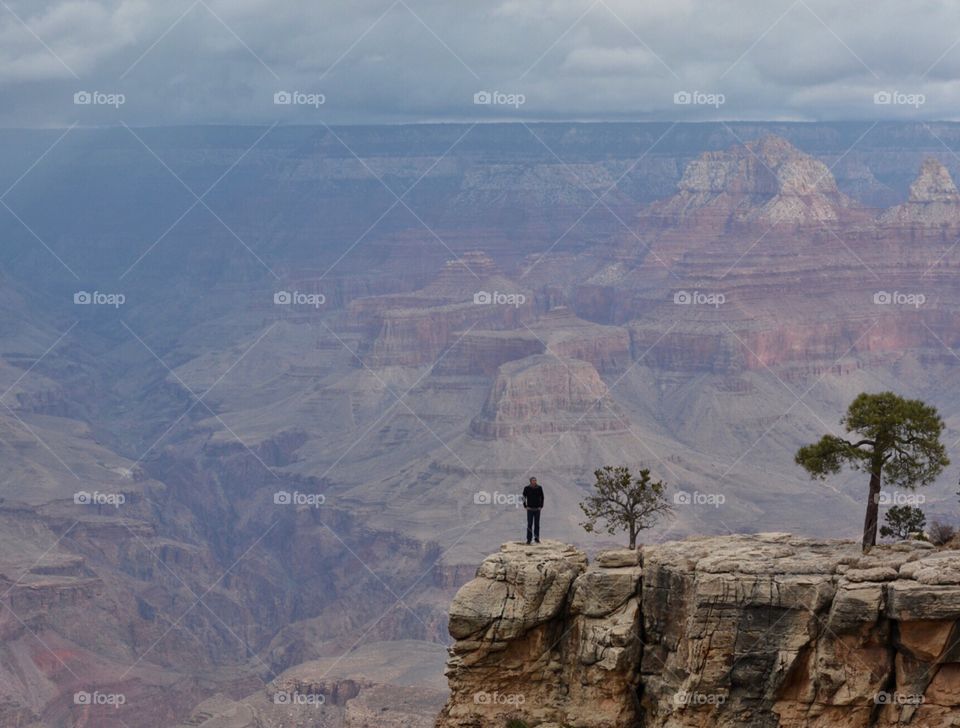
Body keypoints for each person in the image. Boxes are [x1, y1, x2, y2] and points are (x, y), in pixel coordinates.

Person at [522, 476, 544, 544]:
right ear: (530, 481)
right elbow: (523, 497)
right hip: (530, 509)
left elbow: (542, 497)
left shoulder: (539, 488)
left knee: (537, 524)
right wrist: (525, 506)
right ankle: (529, 539)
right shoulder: (527, 488)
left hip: (537, 509)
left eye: (535, 480)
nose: (534, 481)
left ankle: (537, 539)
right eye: (533, 480)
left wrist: (541, 506)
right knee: (529, 524)